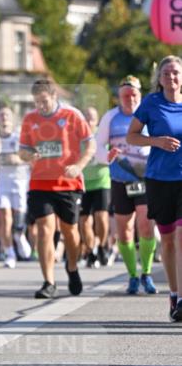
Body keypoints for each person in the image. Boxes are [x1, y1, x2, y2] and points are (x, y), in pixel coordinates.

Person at [19, 78, 94, 299]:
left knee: (70, 231)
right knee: (44, 229)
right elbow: (22, 150)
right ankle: (49, 282)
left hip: (68, 183)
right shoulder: (30, 119)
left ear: (54, 97)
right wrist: (29, 156)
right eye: (36, 102)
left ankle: (72, 267)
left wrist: (79, 165)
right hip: (40, 183)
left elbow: (90, 143)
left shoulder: (72, 116)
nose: (40, 106)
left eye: (44, 101)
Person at [126, 55, 182, 321]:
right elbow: (131, 135)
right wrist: (157, 141)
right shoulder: (151, 103)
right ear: (159, 79)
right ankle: (174, 294)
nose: (172, 77)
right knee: (168, 241)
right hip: (159, 179)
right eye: (167, 73)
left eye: (176, 73)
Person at [95, 76, 157, 294]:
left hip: (146, 179)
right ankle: (132, 275)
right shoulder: (110, 117)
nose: (130, 99)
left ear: (140, 96)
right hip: (120, 180)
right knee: (124, 229)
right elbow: (97, 148)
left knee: (146, 224)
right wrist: (108, 155)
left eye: (134, 95)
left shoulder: (149, 115)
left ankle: (147, 273)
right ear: (119, 97)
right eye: (125, 96)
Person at [0, 106, 31, 268]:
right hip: (1, 183)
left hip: (20, 182)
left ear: (12, 119)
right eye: (1, 115)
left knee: (18, 219)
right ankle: (9, 253)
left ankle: (19, 235)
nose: (4, 118)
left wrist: (18, 160)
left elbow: (31, 158)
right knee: (5, 218)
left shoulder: (20, 137)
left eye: (7, 115)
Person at [79, 105, 112, 269]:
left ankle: (102, 246)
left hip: (101, 181)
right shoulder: (77, 134)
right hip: (83, 183)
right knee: (84, 221)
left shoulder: (103, 133)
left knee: (101, 217)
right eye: (86, 116)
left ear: (97, 120)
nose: (89, 120)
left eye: (92, 117)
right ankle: (90, 251)